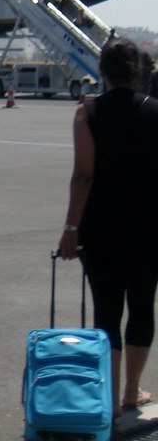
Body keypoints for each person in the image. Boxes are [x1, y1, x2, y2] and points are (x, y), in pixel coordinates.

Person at [59, 37, 158, 420]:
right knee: (141, 306)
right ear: (137, 71)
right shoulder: (155, 112)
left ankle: (110, 397)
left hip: (100, 227)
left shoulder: (88, 113)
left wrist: (71, 226)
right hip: (149, 226)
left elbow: (83, 175)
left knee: (106, 311)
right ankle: (133, 391)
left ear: (102, 70)